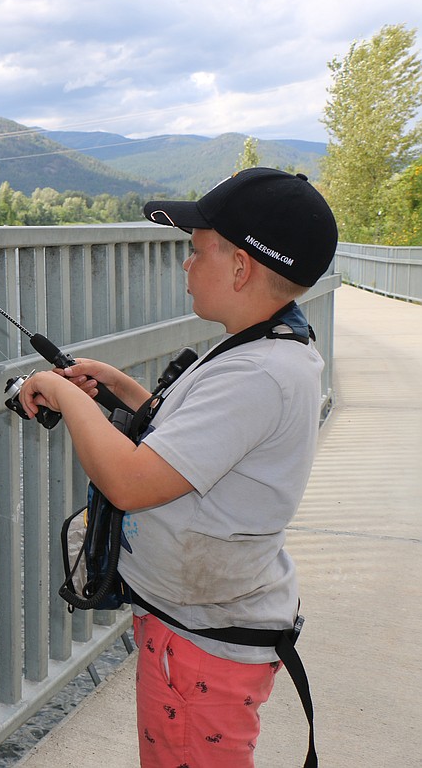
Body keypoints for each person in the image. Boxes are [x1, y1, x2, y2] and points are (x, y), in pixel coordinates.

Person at [18, 167, 337, 767]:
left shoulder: (260, 373)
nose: (186, 266)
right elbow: (196, 441)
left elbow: (132, 482)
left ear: (241, 267)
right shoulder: (258, 346)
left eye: (195, 253)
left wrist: (61, 396)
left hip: (202, 650)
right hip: (198, 631)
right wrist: (117, 388)